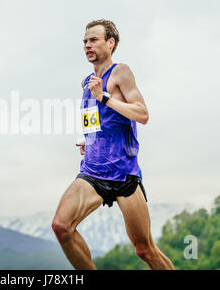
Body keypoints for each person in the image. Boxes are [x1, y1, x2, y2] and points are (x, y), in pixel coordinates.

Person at [51, 19, 175, 270]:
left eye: (93, 40)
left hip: (123, 174)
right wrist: (87, 140)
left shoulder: (121, 73)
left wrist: (104, 97)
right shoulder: (86, 82)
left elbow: (142, 114)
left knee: (145, 249)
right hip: (93, 172)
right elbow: (93, 121)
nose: (87, 45)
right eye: (85, 41)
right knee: (62, 227)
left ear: (110, 42)